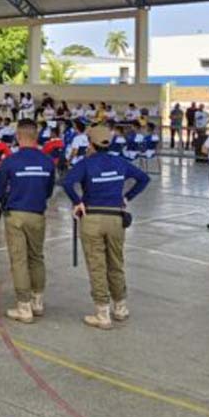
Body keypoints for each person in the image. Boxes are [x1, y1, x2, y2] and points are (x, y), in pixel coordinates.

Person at [63, 125, 149, 329]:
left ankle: (102, 313)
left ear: (90, 144)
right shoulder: (120, 162)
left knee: (97, 265)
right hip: (115, 218)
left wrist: (77, 201)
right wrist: (126, 197)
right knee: (116, 263)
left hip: (92, 217)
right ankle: (120, 307)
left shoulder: (85, 164)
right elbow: (144, 179)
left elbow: (67, 182)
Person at [0, 119, 55, 323]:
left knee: (19, 260)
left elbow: (0, 190)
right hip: (37, 213)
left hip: (15, 215)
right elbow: (49, 190)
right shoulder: (47, 161)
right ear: (36, 136)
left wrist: (7, 200)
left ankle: (24, 306)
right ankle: (38, 301)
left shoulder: (10, 161)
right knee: (36, 257)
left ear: (18, 136)